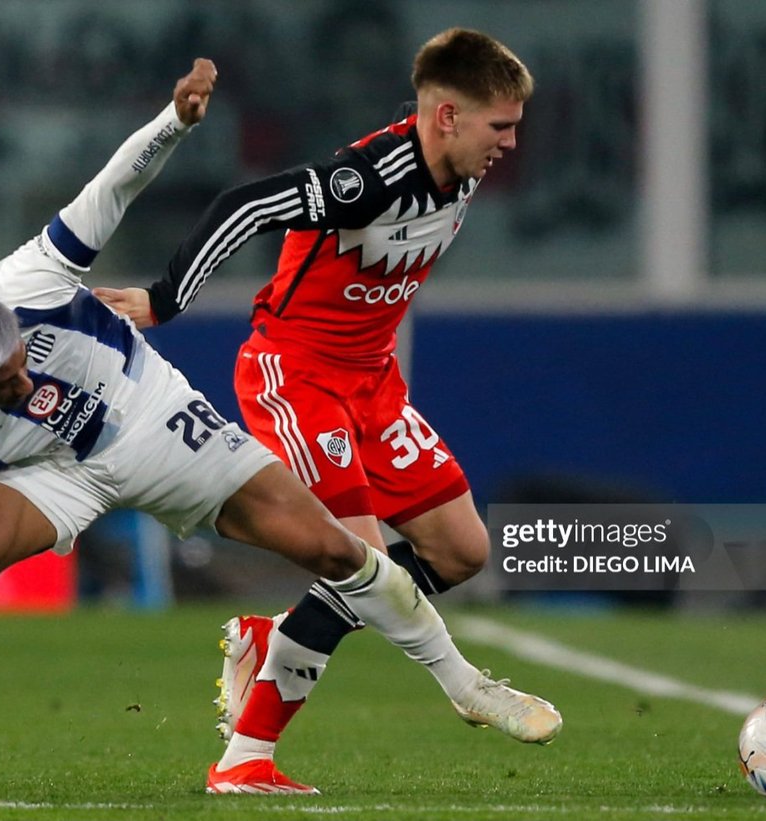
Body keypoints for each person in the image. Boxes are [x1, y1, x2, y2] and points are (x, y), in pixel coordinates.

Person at [0, 57, 559, 797]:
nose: (22, 383)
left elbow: (112, 187)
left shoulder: (27, 281)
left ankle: (457, 682)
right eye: (1, 386)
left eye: (20, 364)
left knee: (336, 552)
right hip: (51, 470)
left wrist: (173, 122)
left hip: (150, 419)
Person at [93, 28, 542, 793]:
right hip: (295, 374)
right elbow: (245, 206)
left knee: (462, 549)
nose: (510, 142)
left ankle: (271, 640)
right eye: (499, 125)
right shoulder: (368, 178)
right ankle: (251, 759)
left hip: (371, 382)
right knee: (365, 568)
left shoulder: (459, 167)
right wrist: (165, 299)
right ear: (446, 118)